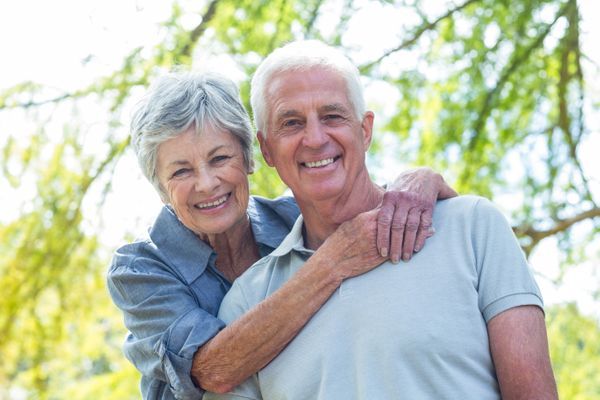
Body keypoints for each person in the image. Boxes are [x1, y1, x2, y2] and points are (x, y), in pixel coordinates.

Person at [205, 40, 558, 400]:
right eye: (291, 123)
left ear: (366, 130)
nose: (314, 138)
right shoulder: (247, 302)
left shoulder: (472, 228)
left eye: (332, 116)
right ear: (266, 150)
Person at [107, 71, 457, 399]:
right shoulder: (139, 270)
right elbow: (213, 371)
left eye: (220, 158)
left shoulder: (293, 218)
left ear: (250, 159)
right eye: (182, 171)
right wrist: (332, 262)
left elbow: (384, 212)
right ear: (161, 188)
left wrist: (421, 181)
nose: (206, 183)